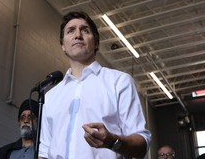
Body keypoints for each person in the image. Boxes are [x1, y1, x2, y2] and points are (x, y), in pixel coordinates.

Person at [38, 11, 151, 159]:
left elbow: (142, 144)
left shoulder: (119, 82)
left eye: (85, 30)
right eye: (70, 31)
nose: (78, 35)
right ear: (63, 46)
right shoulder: (51, 96)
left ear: (96, 43)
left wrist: (112, 142)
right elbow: (44, 151)